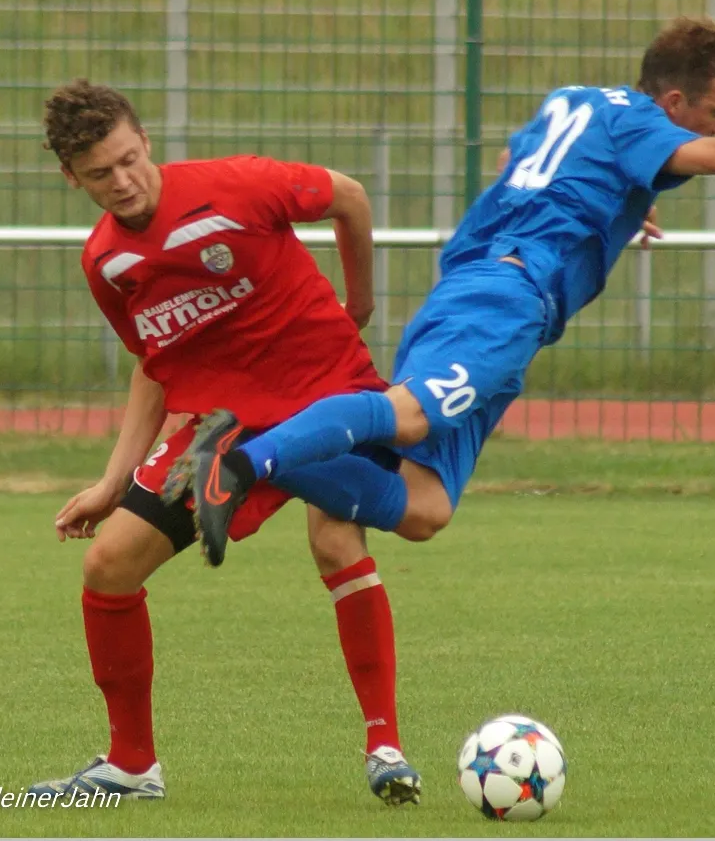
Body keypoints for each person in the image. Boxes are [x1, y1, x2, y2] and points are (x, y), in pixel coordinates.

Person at [173, 15, 715, 565]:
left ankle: (249, 440)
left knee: (426, 508)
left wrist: (615, 201)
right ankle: (243, 463)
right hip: (505, 295)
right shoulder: (642, 125)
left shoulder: (576, 100)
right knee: (407, 417)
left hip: (488, 289)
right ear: (673, 102)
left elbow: (519, 159)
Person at [30, 79, 422, 805]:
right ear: (71, 177)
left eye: (128, 160)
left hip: (327, 393)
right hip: (227, 428)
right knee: (108, 566)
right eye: (99, 174)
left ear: (146, 141)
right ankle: (131, 766)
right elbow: (156, 366)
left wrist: (360, 302)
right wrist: (112, 483)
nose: (122, 181)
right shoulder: (107, 264)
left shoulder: (239, 185)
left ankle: (386, 749)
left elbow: (350, 196)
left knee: (336, 543)